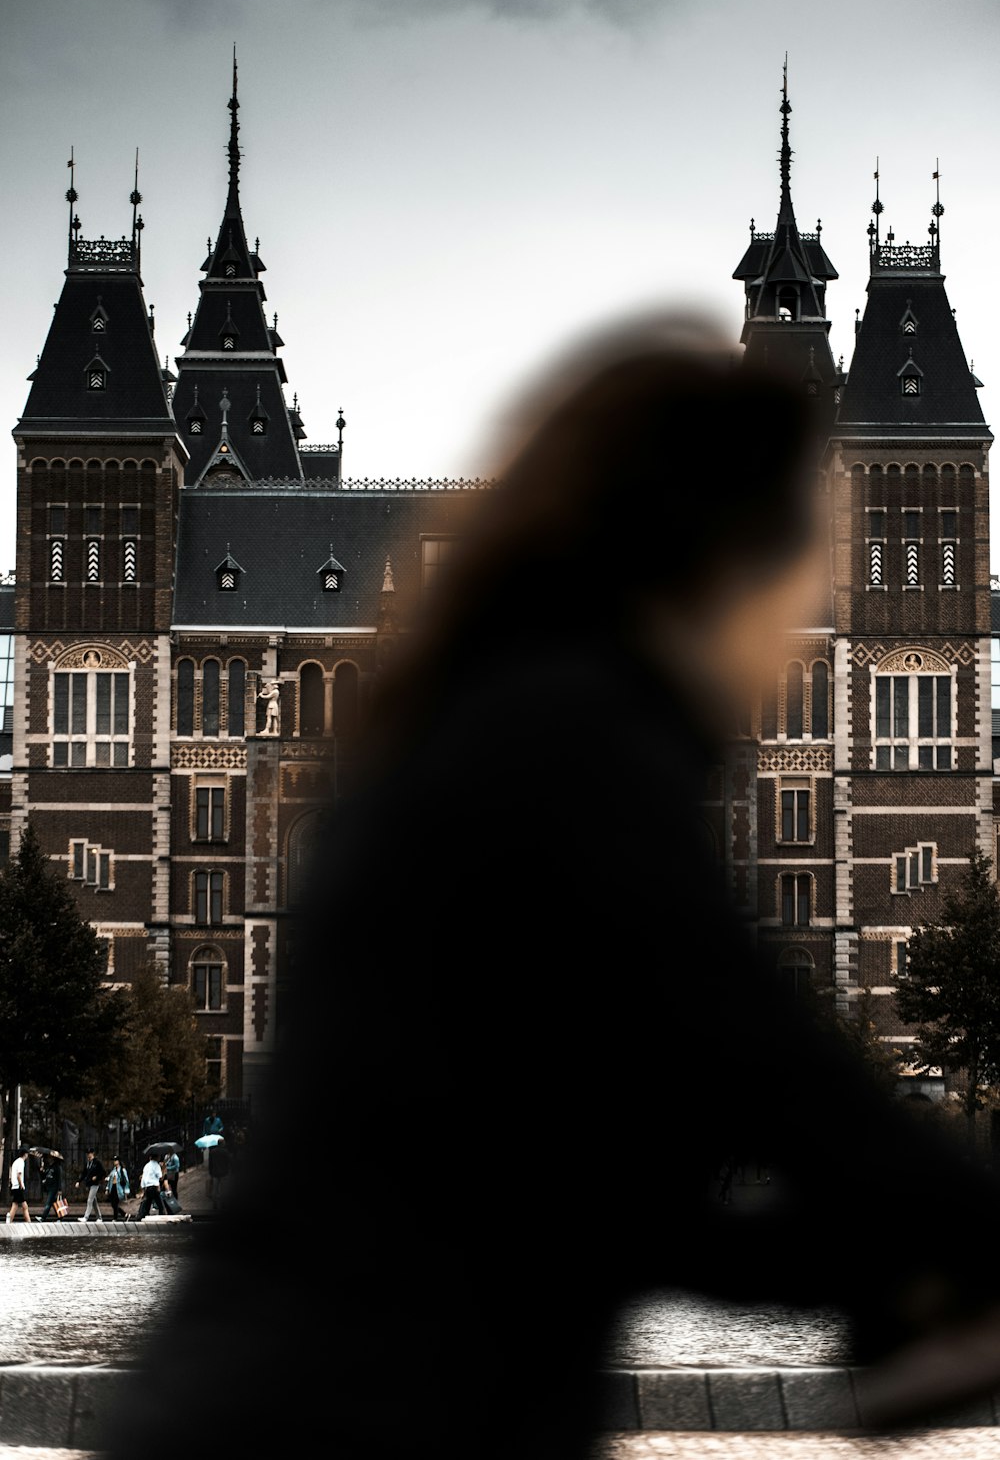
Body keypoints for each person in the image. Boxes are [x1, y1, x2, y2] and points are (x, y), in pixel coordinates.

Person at [101, 312, 1000, 1456]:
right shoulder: (570, 743)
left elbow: (611, 1212)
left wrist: (880, 1273)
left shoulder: (488, 721)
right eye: (795, 564)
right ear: (720, 559)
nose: (794, 625)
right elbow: (770, 1059)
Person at [75, 1149, 105, 1223]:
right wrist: (79, 1181)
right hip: (89, 1184)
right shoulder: (88, 1163)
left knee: (89, 1200)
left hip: (95, 1184)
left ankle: (86, 1217)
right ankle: (99, 1217)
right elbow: (84, 1173)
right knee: (94, 1202)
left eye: (90, 1153)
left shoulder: (97, 1162)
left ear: (93, 1154)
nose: (88, 1155)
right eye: (87, 1153)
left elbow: (103, 1172)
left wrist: (97, 1177)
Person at [135, 1154, 166, 1220]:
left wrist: (143, 1188)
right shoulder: (156, 1165)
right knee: (160, 1203)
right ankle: (162, 1214)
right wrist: (163, 1170)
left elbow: (143, 1178)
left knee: (147, 1202)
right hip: (154, 1186)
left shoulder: (146, 1166)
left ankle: (141, 1215)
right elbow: (160, 1177)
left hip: (147, 1187)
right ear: (156, 1157)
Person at [6, 1146, 30, 1224]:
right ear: (25, 1154)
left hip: (14, 1186)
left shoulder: (15, 1162)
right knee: (24, 1206)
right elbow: (18, 1175)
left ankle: (9, 1221)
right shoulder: (21, 1162)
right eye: (27, 1154)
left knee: (15, 1205)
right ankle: (29, 1223)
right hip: (18, 1186)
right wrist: (21, 1185)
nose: (27, 1156)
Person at [38, 1152, 64, 1221]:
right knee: (54, 1203)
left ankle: (43, 1218)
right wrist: (41, 1171)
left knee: (48, 1203)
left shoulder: (57, 1167)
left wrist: (59, 1189)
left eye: (50, 1157)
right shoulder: (49, 1167)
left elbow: (59, 1179)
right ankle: (60, 1217)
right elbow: (45, 1176)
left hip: (54, 1188)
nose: (48, 1159)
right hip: (49, 1187)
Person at [206, 1139, 230, 1209]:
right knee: (222, 1189)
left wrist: (210, 1172)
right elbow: (228, 1162)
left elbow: (210, 1163)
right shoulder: (225, 1152)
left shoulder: (212, 1152)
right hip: (223, 1173)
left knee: (215, 1189)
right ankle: (223, 1203)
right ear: (222, 1143)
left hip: (215, 1173)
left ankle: (215, 1204)